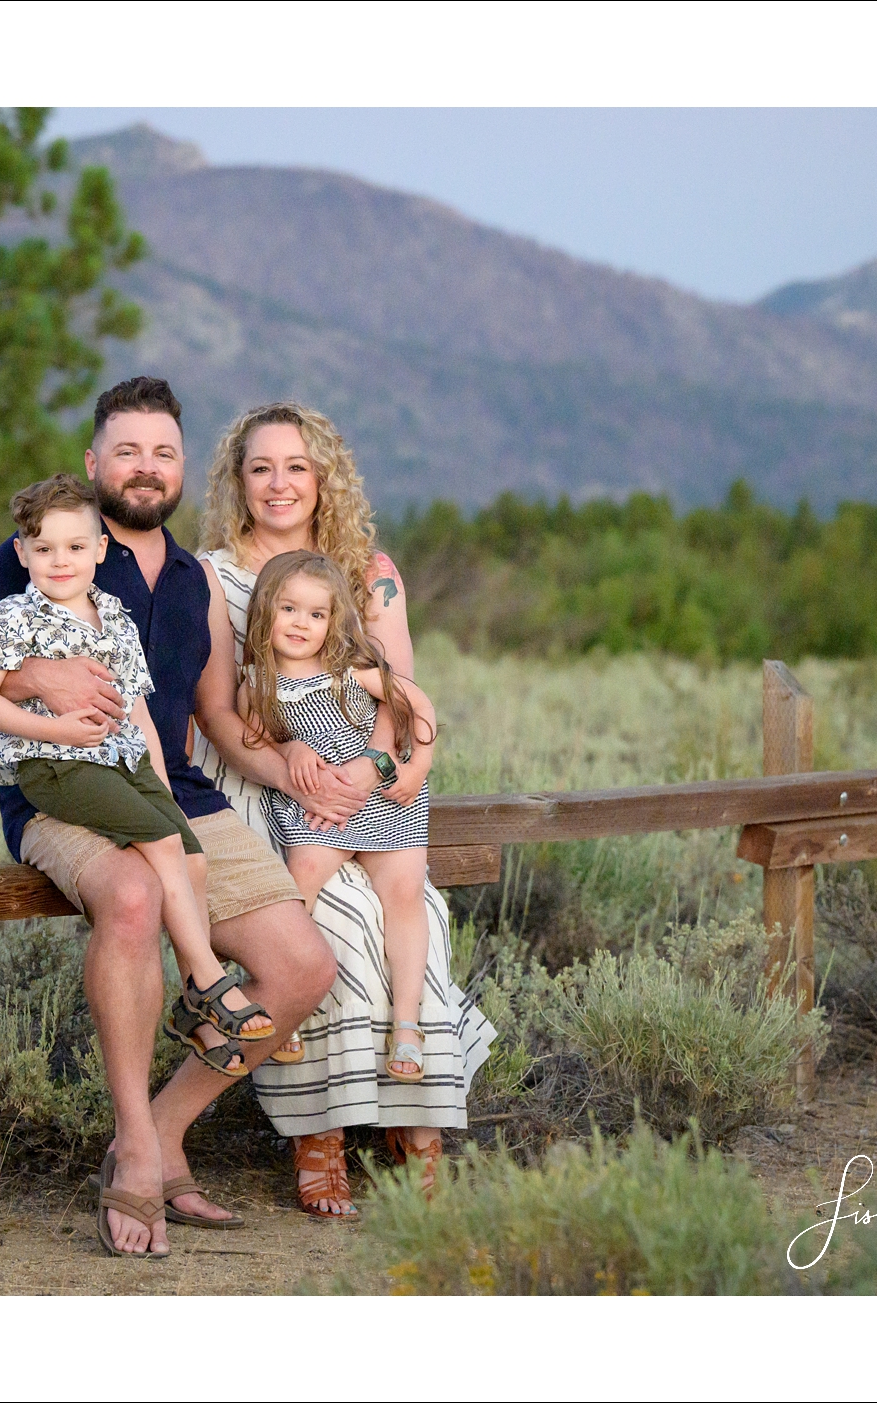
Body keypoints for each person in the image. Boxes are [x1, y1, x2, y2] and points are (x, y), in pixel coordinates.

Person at [0, 378, 336, 1259]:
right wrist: (39, 675)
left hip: (173, 786)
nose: (146, 468)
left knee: (302, 965)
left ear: (183, 467)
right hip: (59, 786)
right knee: (129, 899)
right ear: (94, 461)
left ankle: (155, 1129)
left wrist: (308, 775)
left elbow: (218, 713)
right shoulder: (57, 540)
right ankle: (138, 1159)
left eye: (163, 453)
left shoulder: (192, 578)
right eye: (127, 450)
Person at [190, 401, 497, 1216]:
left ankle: (416, 1126)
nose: (280, 483)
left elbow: (396, 697)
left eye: (297, 466)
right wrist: (291, 774)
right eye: (261, 467)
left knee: (413, 906)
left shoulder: (366, 569)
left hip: (366, 780)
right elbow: (221, 712)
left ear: (324, 476)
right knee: (333, 920)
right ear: (238, 480)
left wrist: (371, 767)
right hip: (258, 781)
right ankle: (318, 1136)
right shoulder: (211, 574)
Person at [0, 473, 275, 1084]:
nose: (60, 561)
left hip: (123, 764)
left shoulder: (115, 619)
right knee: (160, 846)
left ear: (100, 550)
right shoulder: (8, 618)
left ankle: (192, 1009)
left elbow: (138, 716)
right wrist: (55, 731)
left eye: (76, 547)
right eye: (43, 548)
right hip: (53, 767)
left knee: (191, 857)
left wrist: (163, 791)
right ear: (20, 552)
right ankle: (210, 981)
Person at [240, 550, 440, 1086]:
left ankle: (407, 1024)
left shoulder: (348, 670)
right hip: (320, 802)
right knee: (297, 884)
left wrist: (417, 766)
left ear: (333, 622)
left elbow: (415, 703)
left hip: (384, 797)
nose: (301, 624)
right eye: (288, 609)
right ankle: (287, 1011)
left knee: (405, 893)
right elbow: (255, 742)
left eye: (316, 614)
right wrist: (290, 752)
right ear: (265, 611)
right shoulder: (256, 684)